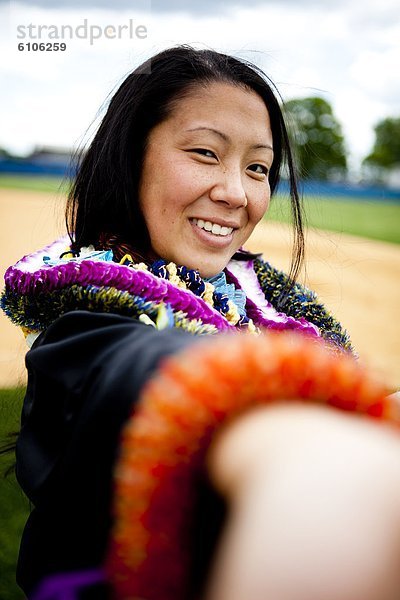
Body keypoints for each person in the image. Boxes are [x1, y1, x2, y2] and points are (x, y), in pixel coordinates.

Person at [1, 45, 400, 600]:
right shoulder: (84, 322)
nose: (236, 193)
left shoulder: (257, 299)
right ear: (130, 155)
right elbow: (147, 372)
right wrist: (304, 454)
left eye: (257, 168)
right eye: (206, 154)